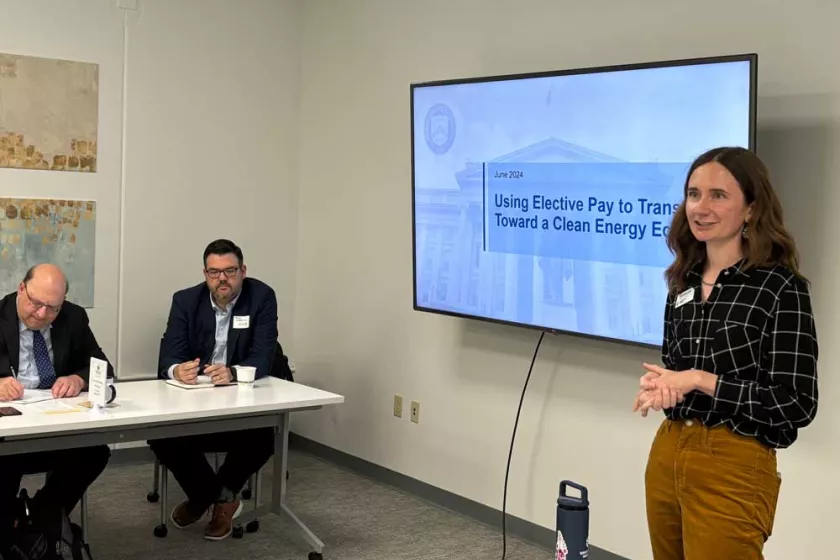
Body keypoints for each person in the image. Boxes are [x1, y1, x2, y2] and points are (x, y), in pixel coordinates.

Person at [632, 147, 818, 559]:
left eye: (719, 195)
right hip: (668, 452)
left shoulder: (780, 288)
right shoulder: (682, 282)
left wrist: (701, 380)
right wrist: (665, 385)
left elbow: (796, 403)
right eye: (694, 194)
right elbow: (679, 370)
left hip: (734, 460)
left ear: (751, 208)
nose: (701, 207)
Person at [149, 239, 279, 541]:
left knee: (263, 435)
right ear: (205, 273)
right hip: (194, 403)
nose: (222, 278)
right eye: (214, 272)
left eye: (230, 271)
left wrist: (233, 372)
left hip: (242, 399)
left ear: (243, 271)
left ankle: (206, 500)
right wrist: (176, 370)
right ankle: (215, 497)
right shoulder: (185, 300)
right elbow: (168, 355)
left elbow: (263, 354)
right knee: (160, 434)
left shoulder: (261, 297)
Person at [0, 264, 113, 542]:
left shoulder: (73, 317)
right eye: (36, 304)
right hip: (11, 430)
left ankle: (40, 515)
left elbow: (103, 367)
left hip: (56, 422)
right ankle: (8, 526)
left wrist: (78, 378)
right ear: (21, 289)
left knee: (94, 451)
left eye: (53, 308)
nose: (42, 315)